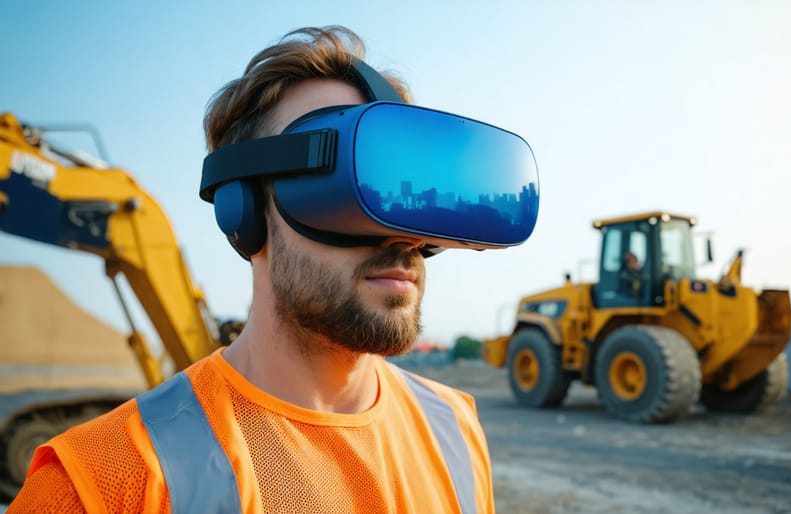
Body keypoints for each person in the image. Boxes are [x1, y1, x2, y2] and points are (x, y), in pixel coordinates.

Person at [10, 25, 539, 514]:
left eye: (402, 193)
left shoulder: (455, 428)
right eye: (342, 188)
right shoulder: (98, 483)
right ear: (242, 212)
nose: (401, 236)